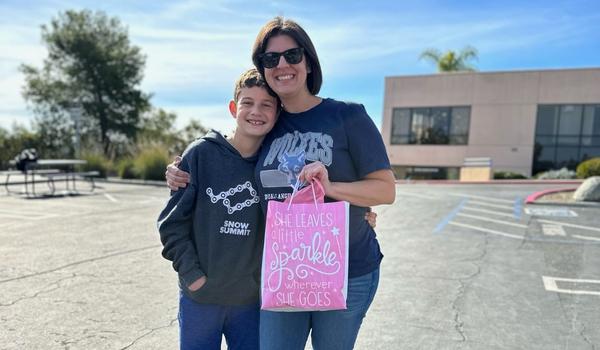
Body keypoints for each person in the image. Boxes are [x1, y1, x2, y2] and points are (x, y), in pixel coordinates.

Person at [166, 16, 395, 350]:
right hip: (283, 274)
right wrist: (178, 168)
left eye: (292, 55)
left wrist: (332, 190)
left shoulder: (349, 116)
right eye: (270, 59)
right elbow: (231, 155)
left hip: (348, 271)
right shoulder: (270, 121)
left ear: (309, 61)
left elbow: (385, 189)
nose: (282, 65)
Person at [157, 68, 279, 350]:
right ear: (234, 108)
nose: (256, 111)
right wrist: (194, 277)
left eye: (266, 105)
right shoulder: (201, 154)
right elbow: (172, 224)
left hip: (251, 302)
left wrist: (360, 212)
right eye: (248, 102)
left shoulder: (276, 164)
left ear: (276, 113)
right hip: (201, 299)